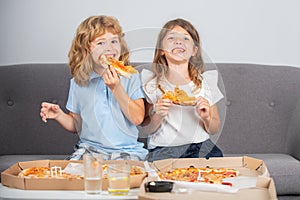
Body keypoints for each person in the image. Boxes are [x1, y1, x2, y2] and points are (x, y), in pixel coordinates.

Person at [40, 15, 148, 160]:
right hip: (89, 150)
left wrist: (116, 88)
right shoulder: (79, 82)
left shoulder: (131, 76)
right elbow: (77, 125)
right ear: (86, 49)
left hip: (126, 150)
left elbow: (138, 118)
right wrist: (59, 115)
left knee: (124, 179)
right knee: (74, 177)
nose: (109, 48)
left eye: (114, 41)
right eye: (101, 43)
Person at [140, 18, 224, 162]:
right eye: (171, 38)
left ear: (194, 50)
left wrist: (207, 117)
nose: (179, 42)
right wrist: (158, 115)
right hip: (163, 148)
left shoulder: (205, 83)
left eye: (185, 38)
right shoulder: (152, 84)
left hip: (200, 146)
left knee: (215, 169)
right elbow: (147, 129)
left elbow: (214, 128)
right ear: (161, 50)